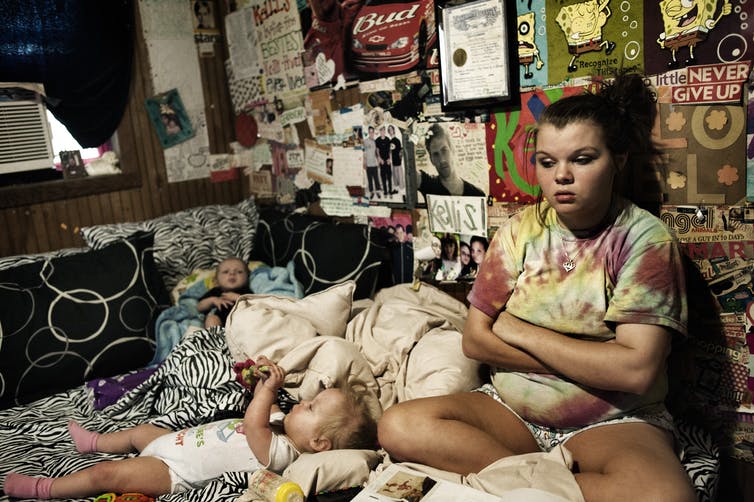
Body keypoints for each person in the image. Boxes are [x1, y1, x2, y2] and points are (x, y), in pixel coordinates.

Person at [378, 70, 696, 501]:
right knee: (397, 425)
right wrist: (595, 363)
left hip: (612, 420)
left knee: (664, 497)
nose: (561, 175)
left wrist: (517, 330)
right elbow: (475, 341)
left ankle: (510, 482)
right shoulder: (519, 231)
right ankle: (539, 479)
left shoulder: (643, 240)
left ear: (618, 159)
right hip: (511, 413)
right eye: (548, 162)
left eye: (582, 159)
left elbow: (637, 372)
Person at [3, 357, 378, 499]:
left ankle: (43, 489)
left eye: (310, 407)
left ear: (318, 442)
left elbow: (253, 421)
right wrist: (260, 377)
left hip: (174, 471)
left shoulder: (282, 453)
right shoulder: (283, 426)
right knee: (140, 431)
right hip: (174, 442)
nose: (300, 402)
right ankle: (96, 440)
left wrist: (268, 391)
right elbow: (266, 413)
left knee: (109, 475)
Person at [418, 123, 485, 198]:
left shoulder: (476, 194)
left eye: (444, 150)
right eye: (436, 154)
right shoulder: (428, 184)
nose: (442, 159)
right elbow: (409, 172)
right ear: (431, 160)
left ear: (452, 150)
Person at [197, 257, 252, 328]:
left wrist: (238, 298)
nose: (232, 274)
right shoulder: (216, 291)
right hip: (221, 323)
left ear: (247, 277)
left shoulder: (246, 292)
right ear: (216, 280)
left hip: (241, 322)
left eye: (239, 272)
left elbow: (255, 305)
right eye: (226, 272)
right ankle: (215, 338)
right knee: (211, 319)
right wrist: (213, 300)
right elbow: (199, 307)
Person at [363, 126, 382, 199]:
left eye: (372, 132)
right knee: (370, 180)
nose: (371, 133)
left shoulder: (375, 141)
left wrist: (379, 160)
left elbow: (377, 152)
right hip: (368, 164)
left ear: (374, 133)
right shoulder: (365, 141)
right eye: (370, 132)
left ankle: (378, 192)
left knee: (376, 179)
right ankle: (372, 192)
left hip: (374, 164)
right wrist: (364, 162)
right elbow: (364, 153)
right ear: (368, 132)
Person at [375, 126, 394, 196]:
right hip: (382, 161)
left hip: (387, 160)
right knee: (383, 177)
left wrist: (390, 159)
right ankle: (385, 191)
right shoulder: (377, 140)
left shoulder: (388, 139)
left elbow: (390, 151)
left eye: (383, 131)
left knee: (389, 176)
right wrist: (379, 159)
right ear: (380, 132)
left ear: (385, 131)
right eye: (381, 131)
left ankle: (390, 191)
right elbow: (377, 151)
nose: (382, 132)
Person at [388, 124, 403, 192]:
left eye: (391, 129)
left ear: (394, 130)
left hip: (398, 162)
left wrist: (400, 159)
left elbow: (400, 151)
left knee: (399, 176)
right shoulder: (390, 141)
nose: (390, 131)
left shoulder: (397, 140)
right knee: (395, 176)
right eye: (389, 130)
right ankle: (396, 188)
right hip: (393, 161)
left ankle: (402, 188)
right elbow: (390, 151)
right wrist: (390, 159)